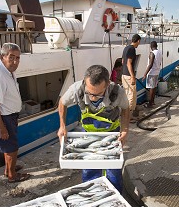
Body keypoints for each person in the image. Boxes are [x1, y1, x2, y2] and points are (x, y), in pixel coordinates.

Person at [57, 65, 130, 193]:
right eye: (89, 93)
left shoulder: (117, 92)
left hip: (111, 134)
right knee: (89, 169)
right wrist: (62, 126)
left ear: (107, 84)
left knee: (113, 171)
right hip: (87, 134)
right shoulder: (77, 89)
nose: (92, 98)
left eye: (97, 95)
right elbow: (62, 102)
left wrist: (124, 130)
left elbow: (125, 109)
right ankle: (92, 194)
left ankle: (115, 195)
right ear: (85, 81)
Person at [0, 43, 30, 183]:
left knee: (8, 146)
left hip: (9, 115)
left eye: (18, 58)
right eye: (11, 57)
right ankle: (12, 176)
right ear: (2, 57)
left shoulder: (7, 71)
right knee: (12, 148)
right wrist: (1, 127)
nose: (15, 61)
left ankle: (8, 169)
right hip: (3, 117)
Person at [122, 34, 141, 120]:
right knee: (131, 96)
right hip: (129, 76)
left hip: (124, 75)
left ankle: (125, 115)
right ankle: (128, 117)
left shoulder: (126, 48)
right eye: (139, 42)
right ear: (138, 41)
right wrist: (132, 76)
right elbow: (128, 63)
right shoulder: (132, 49)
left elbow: (123, 61)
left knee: (126, 95)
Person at [142, 41, 162, 107]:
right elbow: (159, 63)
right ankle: (152, 102)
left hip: (151, 73)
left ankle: (150, 104)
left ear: (151, 46)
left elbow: (150, 64)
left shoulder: (152, 53)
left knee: (151, 88)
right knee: (154, 87)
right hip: (157, 72)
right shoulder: (159, 52)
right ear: (156, 46)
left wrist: (145, 74)